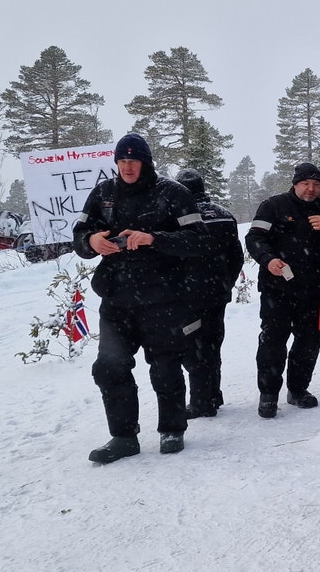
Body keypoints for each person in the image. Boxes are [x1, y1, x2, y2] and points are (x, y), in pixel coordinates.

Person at [74, 133, 209, 463]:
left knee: (164, 366)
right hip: (117, 297)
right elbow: (78, 236)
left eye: (133, 160)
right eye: (121, 161)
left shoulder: (172, 193)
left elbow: (198, 241)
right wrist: (92, 242)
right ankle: (123, 437)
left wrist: (153, 238)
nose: (127, 166)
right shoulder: (103, 193)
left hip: (163, 297)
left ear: (146, 162)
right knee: (109, 367)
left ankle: (172, 428)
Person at [245, 162, 320, 419]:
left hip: (315, 288)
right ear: (295, 184)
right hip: (277, 289)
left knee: (309, 341)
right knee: (272, 341)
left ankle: (298, 389)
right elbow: (254, 237)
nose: (311, 189)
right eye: (306, 183)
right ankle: (268, 394)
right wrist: (268, 259)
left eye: (316, 184)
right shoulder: (273, 206)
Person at [173, 168, 244, 418]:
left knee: (193, 348)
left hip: (188, 296)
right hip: (217, 293)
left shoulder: (177, 217)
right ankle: (213, 394)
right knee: (213, 344)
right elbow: (236, 255)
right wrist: (227, 282)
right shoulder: (224, 215)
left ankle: (203, 401)